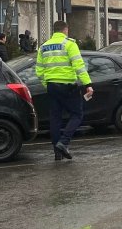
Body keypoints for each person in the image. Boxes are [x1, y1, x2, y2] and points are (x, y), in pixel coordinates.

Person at [35, 20, 93, 160]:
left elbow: (39, 71)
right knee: (77, 114)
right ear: (65, 30)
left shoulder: (43, 47)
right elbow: (79, 66)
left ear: (54, 31)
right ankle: (64, 141)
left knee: (55, 118)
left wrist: (47, 84)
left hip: (52, 86)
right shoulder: (70, 44)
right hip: (68, 86)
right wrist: (87, 84)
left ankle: (57, 152)